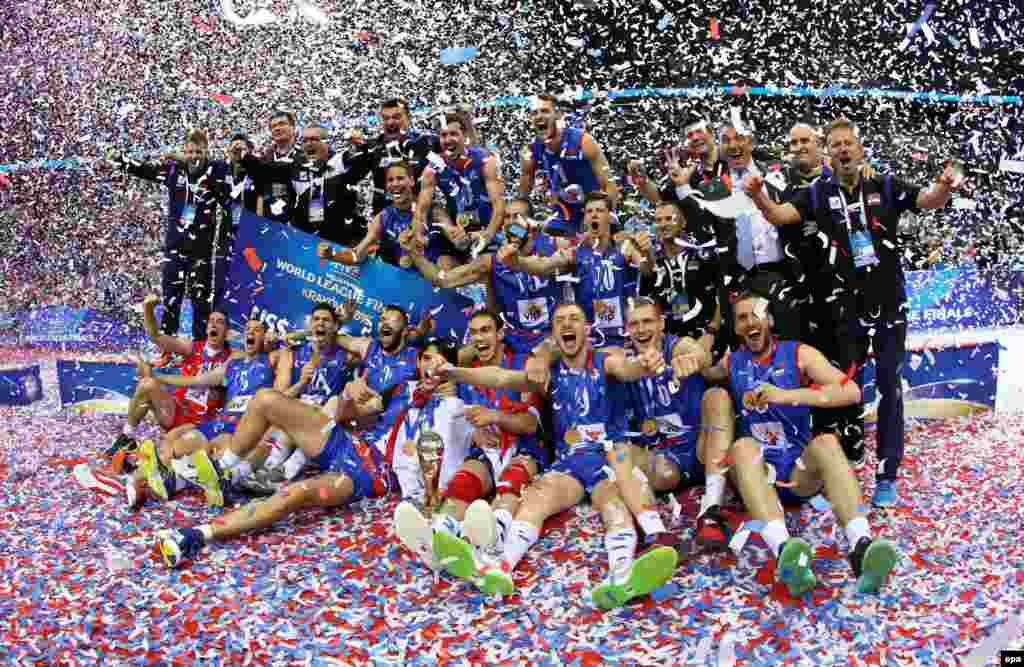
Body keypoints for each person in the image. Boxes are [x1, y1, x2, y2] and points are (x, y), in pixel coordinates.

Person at [744, 116, 961, 506]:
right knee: (845, 388)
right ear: (829, 152)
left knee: (890, 387)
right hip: (846, 306)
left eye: (849, 143)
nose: (843, 149)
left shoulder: (885, 185)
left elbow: (928, 201)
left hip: (891, 301)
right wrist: (759, 194)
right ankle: (834, 468)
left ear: (860, 149)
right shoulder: (817, 193)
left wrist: (944, 186)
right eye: (836, 144)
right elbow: (777, 215)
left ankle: (887, 475)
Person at [428, 303, 678, 610]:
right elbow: (499, 377)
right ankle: (500, 566)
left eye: (575, 318)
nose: (567, 324)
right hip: (569, 464)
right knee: (535, 497)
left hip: (608, 458)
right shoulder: (550, 372)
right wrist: (455, 372)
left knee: (612, 505)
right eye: (560, 321)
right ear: (554, 334)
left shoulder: (606, 360)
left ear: (587, 330)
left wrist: (644, 363)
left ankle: (622, 574)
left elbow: (627, 368)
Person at [156, 338, 457, 568]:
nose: (431, 365)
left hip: (371, 474)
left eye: (440, 361)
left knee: (297, 493)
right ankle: (223, 470)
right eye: (426, 358)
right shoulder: (403, 388)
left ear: (454, 370)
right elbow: (360, 412)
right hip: (351, 443)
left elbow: (444, 473)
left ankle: (199, 534)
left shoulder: (458, 412)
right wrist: (349, 397)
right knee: (265, 399)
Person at [703, 292, 899, 595]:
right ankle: (785, 554)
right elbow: (704, 369)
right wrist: (694, 349)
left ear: (769, 318)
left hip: (796, 471)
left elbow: (850, 393)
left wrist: (788, 395)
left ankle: (861, 546)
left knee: (827, 443)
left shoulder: (798, 353)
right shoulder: (733, 361)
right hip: (756, 472)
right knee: (742, 447)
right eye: (741, 318)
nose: (749, 322)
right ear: (736, 327)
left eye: (755, 314)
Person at [393, 310, 549, 571]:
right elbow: (460, 411)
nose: (479, 338)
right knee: (464, 481)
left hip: (524, 448)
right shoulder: (466, 374)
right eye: (474, 332)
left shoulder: (522, 364)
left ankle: (494, 538)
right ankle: (439, 537)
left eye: (485, 330)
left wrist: (496, 417)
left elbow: (530, 424)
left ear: (500, 334)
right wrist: (473, 428)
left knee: (511, 482)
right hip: (486, 451)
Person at [126, 317, 281, 508]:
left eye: (257, 330)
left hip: (242, 426)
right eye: (248, 329)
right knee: (180, 444)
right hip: (219, 421)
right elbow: (197, 381)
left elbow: (287, 359)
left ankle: (175, 481)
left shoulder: (273, 359)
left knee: (215, 450)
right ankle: (137, 479)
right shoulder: (233, 363)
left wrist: (278, 342)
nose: (250, 332)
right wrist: (156, 376)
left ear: (265, 336)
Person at [618, 298, 735, 550]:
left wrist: (693, 360)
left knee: (717, 397)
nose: (641, 329)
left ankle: (711, 512)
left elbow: (699, 353)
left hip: (701, 449)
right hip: (664, 461)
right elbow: (615, 365)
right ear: (626, 329)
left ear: (661, 324)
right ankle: (656, 533)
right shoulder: (625, 360)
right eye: (634, 324)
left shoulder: (677, 345)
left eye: (648, 321)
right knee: (618, 453)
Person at [100, 129, 231, 340]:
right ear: (183, 152)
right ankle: (167, 347)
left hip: (202, 250)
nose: (193, 156)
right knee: (171, 299)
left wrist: (182, 158)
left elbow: (230, 169)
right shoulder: (174, 171)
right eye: (189, 152)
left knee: (201, 300)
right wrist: (121, 160)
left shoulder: (215, 171)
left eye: (198, 152)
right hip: (175, 247)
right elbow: (145, 170)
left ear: (206, 152)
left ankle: (200, 347)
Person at [402, 197, 567, 353]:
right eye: (507, 218)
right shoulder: (490, 262)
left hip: (555, 337)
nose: (511, 223)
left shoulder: (554, 247)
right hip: (515, 342)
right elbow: (443, 280)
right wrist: (413, 252)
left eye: (517, 217)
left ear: (530, 222)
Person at [498, 192, 652, 348]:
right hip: (588, 339)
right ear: (585, 218)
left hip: (622, 337)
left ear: (609, 217)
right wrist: (518, 262)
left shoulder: (625, 247)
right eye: (589, 212)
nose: (594, 215)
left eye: (599, 211)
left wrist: (647, 253)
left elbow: (647, 271)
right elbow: (543, 266)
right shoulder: (574, 252)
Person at [239, 302, 357, 493]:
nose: (320, 323)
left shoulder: (345, 356)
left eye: (326, 320)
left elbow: (368, 349)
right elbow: (286, 338)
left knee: (332, 405)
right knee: (283, 422)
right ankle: (261, 471)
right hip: (300, 412)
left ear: (335, 327)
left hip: (326, 420)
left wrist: (339, 324)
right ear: (309, 324)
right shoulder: (296, 352)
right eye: (316, 320)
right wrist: (302, 382)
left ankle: (285, 471)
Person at [105, 294, 232, 458]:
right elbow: (155, 337)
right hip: (175, 412)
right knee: (147, 384)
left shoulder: (232, 358)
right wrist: (148, 309)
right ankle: (126, 437)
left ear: (227, 332)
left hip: (201, 424)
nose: (214, 324)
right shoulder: (192, 348)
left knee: (171, 455)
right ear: (207, 328)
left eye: (219, 322)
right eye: (211, 321)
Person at [242, 124, 369, 246]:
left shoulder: (341, 161)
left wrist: (362, 144)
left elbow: (367, 160)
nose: (309, 143)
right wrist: (244, 155)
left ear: (326, 142)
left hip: (339, 241)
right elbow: (263, 170)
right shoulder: (294, 167)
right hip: (307, 239)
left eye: (313, 139)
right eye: (305, 140)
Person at [519, 94, 616, 237]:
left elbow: (610, 185)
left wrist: (604, 216)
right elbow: (522, 198)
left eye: (545, 111)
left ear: (558, 115)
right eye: (534, 113)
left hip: (596, 211)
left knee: (609, 242)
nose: (539, 116)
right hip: (566, 216)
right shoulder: (530, 151)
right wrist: (518, 224)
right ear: (530, 119)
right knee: (520, 234)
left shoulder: (583, 141)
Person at [415, 112, 506, 255]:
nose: (448, 139)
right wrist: (418, 235)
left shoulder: (485, 160)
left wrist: (487, 235)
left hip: (487, 226)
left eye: (453, 134)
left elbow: (499, 204)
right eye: (443, 135)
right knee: (435, 210)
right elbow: (422, 209)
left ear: (465, 137)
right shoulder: (433, 167)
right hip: (458, 229)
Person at [638, 201, 720, 343]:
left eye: (669, 218)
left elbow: (723, 293)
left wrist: (712, 330)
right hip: (670, 340)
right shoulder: (653, 261)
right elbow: (649, 300)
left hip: (705, 335)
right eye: (658, 220)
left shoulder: (702, 254)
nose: (664, 224)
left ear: (683, 223)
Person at [256, 110, 302, 223]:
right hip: (269, 223)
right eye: (273, 126)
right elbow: (259, 194)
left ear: (293, 127)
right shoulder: (264, 159)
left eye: (282, 124)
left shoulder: (304, 156)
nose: (277, 128)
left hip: (298, 225)